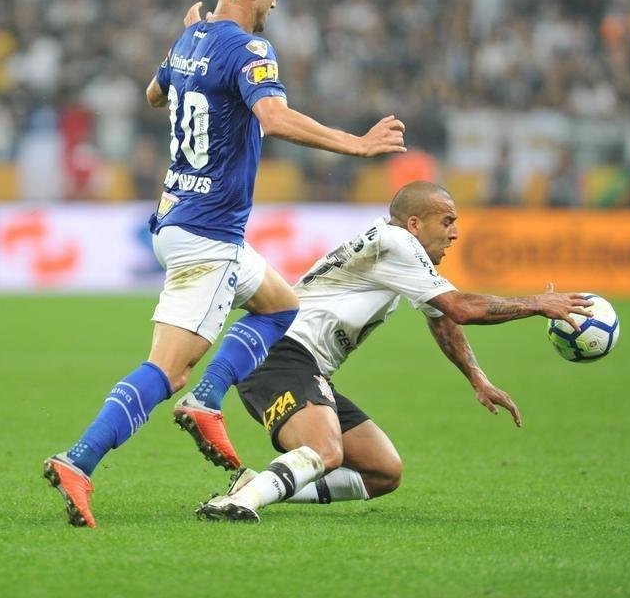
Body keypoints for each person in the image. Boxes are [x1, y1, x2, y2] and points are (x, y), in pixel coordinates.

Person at [43, 0, 408, 528]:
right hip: (207, 236)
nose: (277, 4)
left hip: (181, 220)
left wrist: (190, 42)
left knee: (280, 306)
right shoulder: (251, 47)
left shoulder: (193, 35)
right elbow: (274, 117)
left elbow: (154, 94)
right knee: (166, 370)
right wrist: (357, 144)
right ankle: (79, 461)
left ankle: (208, 401)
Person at [196, 181, 592, 522]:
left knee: (383, 472)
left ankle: (258, 484)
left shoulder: (396, 247)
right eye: (448, 221)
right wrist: (537, 304)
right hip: (281, 355)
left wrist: (477, 377)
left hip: (305, 365)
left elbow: (441, 317)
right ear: (416, 224)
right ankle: (240, 501)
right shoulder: (396, 242)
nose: (454, 233)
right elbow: (460, 307)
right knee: (325, 451)